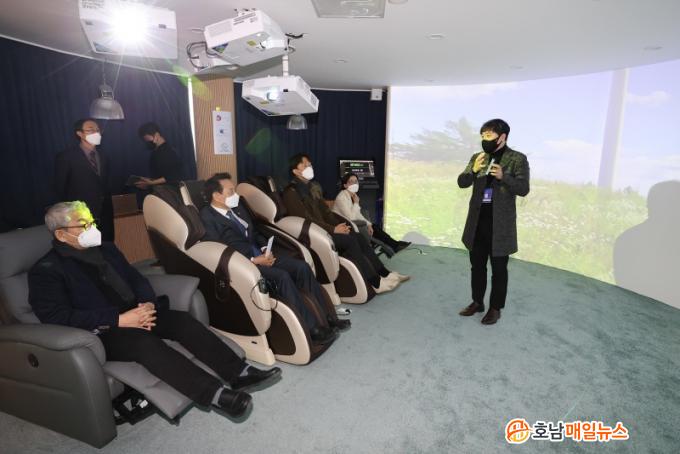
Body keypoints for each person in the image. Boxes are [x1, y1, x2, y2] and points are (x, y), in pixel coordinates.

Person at [28, 201, 282, 418]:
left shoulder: (106, 247)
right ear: (61, 235)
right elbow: (56, 316)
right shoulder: (46, 270)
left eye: (92, 222)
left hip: (139, 310)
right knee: (145, 344)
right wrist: (119, 319)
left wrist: (147, 302)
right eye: (83, 225)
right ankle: (216, 395)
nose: (92, 228)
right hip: (106, 329)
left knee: (182, 321)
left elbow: (135, 277)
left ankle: (240, 373)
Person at [200, 173, 349, 345]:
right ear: (217, 196)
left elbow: (255, 232)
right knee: (282, 277)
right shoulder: (207, 217)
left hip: (262, 255)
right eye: (231, 191)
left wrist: (265, 248)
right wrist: (253, 260)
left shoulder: (237, 207)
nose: (236, 195)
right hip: (243, 265)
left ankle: (327, 318)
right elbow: (218, 251)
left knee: (302, 267)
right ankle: (312, 329)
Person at [282, 154, 409, 294]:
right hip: (313, 235)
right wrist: (333, 229)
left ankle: (385, 273)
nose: (309, 167)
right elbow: (305, 220)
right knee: (350, 241)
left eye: (310, 164)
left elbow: (326, 213)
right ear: (295, 171)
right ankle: (375, 282)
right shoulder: (291, 192)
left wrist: (341, 226)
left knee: (357, 236)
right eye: (305, 165)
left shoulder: (312, 188)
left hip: (325, 230)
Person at [457, 119, 530, 325]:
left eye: (489, 135)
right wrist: (473, 171)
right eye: (483, 136)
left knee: (499, 270)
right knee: (477, 266)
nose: (485, 139)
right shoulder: (477, 157)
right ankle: (477, 302)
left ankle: (495, 308)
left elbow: (523, 188)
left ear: (502, 137)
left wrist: (503, 176)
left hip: (500, 226)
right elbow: (462, 182)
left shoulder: (517, 158)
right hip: (477, 223)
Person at [55, 119, 114, 241]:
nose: (96, 133)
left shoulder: (104, 156)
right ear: (80, 134)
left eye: (98, 130)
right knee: (86, 245)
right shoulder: (66, 156)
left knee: (107, 244)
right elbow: (60, 187)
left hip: (105, 212)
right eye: (91, 130)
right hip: (80, 214)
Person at [333, 172, 411, 253]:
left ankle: (395, 245)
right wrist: (356, 203)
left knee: (374, 227)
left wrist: (368, 224)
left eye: (356, 181)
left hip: (352, 223)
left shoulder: (352, 196)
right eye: (351, 182)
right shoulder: (342, 197)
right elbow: (351, 217)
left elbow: (357, 214)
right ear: (345, 185)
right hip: (345, 226)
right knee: (375, 229)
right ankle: (395, 245)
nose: (354, 184)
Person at [134, 122, 184, 190]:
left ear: (157, 135)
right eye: (145, 140)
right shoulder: (155, 152)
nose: (147, 142)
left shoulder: (168, 151)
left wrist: (151, 183)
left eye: (148, 139)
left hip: (170, 191)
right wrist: (147, 183)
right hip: (159, 190)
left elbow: (172, 176)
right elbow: (159, 176)